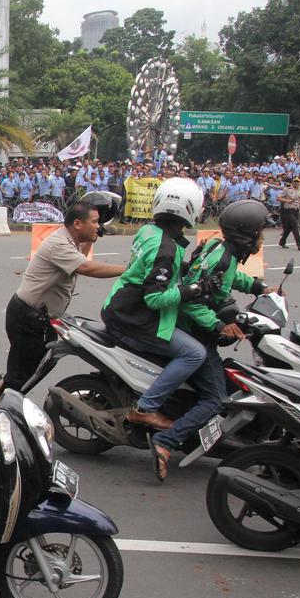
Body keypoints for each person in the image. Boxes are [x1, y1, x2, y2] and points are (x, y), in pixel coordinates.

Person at [154, 200, 272, 479]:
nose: (262, 238)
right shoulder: (221, 255)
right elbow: (191, 302)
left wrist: (260, 286)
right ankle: (166, 440)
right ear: (246, 233)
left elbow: (226, 280)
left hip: (199, 330)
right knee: (216, 399)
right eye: (260, 232)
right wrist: (219, 325)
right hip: (196, 334)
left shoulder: (222, 249)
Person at [101, 178, 215, 446]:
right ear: (191, 209)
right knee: (194, 353)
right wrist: (195, 290)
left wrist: (186, 269)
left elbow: (151, 271)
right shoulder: (165, 248)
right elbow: (155, 298)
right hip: (135, 318)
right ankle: (146, 408)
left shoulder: (150, 231)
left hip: (121, 306)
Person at [4, 194, 126, 391]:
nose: (98, 226)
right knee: (21, 379)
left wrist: (93, 236)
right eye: (94, 222)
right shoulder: (59, 244)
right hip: (28, 318)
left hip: (38, 318)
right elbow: (87, 268)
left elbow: (81, 256)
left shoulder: (71, 240)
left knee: (27, 374)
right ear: (78, 223)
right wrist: (130, 270)